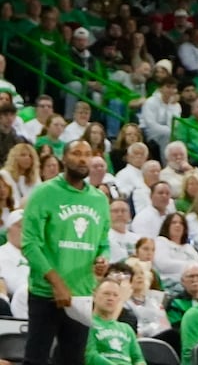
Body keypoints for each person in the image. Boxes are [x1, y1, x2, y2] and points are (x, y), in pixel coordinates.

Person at [22, 138, 110, 365]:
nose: (82, 159)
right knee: (36, 360)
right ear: (64, 158)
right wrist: (56, 283)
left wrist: (103, 259)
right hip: (46, 294)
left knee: (73, 360)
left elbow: (104, 243)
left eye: (87, 154)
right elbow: (30, 244)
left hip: (81, 294)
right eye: (76, 153)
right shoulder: (44, 193)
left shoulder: (99, 199)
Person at [85, 276, 141, 365]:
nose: (111, 298)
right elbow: (90, 356)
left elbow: (138, 359)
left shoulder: (127, 329)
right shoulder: (86, 324)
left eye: (115, 295)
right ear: (94, 296)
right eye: (106, 293)